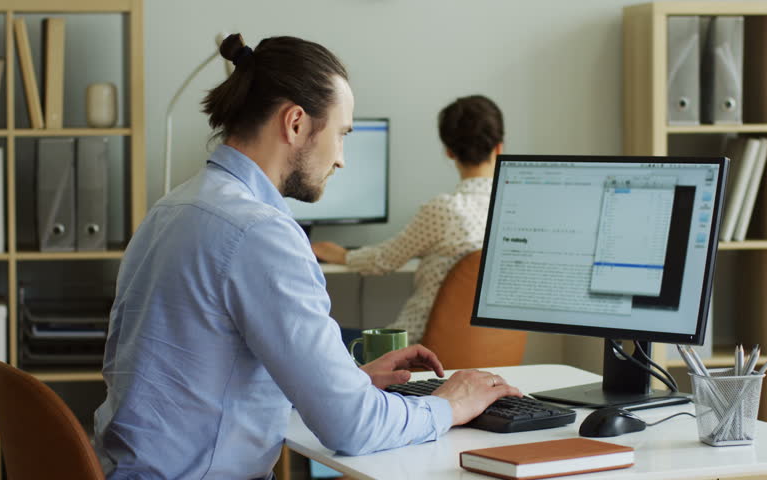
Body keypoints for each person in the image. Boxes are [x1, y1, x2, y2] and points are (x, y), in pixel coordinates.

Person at [92, 34, 520, 480]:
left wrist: (344, 382)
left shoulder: (171, 208)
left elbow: (200, 374)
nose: (341, 160)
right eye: (342, 134)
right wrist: (449, 405)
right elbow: (353, 428)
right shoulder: (262, 234)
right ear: (295, 123)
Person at [312, 95, 504, 345]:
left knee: (319, 341)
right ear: (499, 147)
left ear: (448, 151)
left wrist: (340, 254)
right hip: (486, 352)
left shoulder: (446, 210)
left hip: (415, 348)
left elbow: (383, 261)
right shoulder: (512, 213)